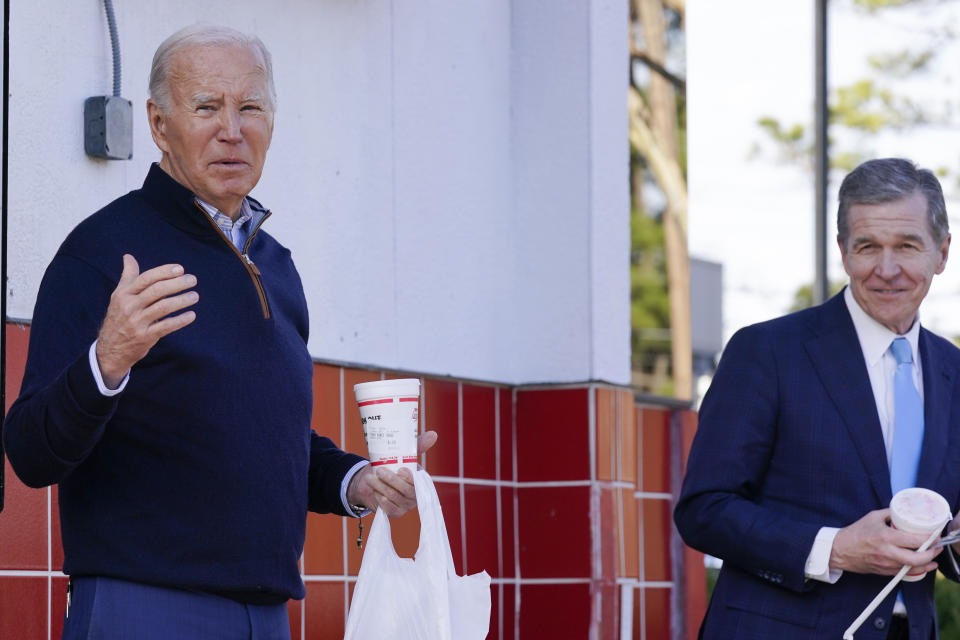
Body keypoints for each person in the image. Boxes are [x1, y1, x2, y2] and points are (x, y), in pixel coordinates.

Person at [2, 24, 435, 639]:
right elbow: (29, 451)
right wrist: (109, 359)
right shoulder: (101, 252)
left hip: (267, 617)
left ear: (272, 124)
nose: (232, 130)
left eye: (250, 107)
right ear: (158, 125)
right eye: (207, 107)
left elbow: (267, 436)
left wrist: (356, 480)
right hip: (143, 609)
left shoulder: (277, 266)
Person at [675, 157, 960, 639]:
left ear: (942, 252)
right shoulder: (766, 351)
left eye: (907, 246)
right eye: (868, 246)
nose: (886, 269)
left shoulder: (954, 371)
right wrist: (835, 547)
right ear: (843, 252)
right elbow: (705, 510)